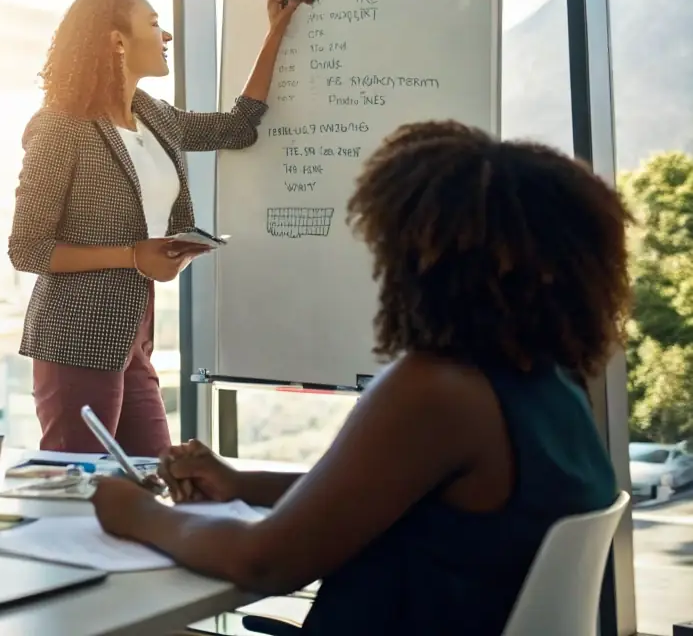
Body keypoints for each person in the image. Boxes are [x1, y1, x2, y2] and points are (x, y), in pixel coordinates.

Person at [90, 122, 626, 635]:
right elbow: (393, 497)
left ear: (425, 263)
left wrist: (138, 514)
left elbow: (264, 562)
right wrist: (241, 484)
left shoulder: (436, 391)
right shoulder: (550, 383)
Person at [9, 0, 306, 457]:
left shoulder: (156, 118)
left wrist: (275, 31)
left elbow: (238, 127)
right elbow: (26, 248)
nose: (166, 36)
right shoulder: (59, 126)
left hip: (135, 335)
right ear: (116, 39)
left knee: (152, 475)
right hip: (77, 336)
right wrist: (134, 255)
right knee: (82, 485)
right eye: (153, 24)